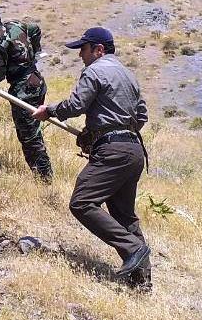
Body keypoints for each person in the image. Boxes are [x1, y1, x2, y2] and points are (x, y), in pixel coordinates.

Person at [33, 26, 151, 288]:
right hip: (133, 151)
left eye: (83, 50)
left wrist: (49, 111)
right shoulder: (130, 77)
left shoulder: (95, 70)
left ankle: (134, 249)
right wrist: (100, 133)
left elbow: (76, 105)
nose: (80, 56)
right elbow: (141, 117)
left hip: (113, 151)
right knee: (124, 215)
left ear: (98, 50)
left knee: (82, 203)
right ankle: (141, 281)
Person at [0, 4, 52, 181]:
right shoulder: (16, 25)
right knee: (31, 133)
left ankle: (45, 179)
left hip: (24, 90)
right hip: (36, 81)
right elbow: (35, 29)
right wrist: (34, 53)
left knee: (29, 137)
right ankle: (43, 176)